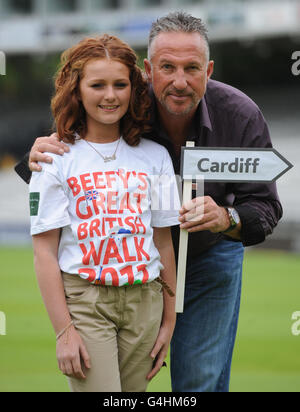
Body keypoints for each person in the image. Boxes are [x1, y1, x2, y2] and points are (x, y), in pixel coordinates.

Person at [16, 12, 283, 392]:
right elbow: (74, 157)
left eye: (192, 68)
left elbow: (266, 208)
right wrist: (38, 153)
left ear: (208, 70)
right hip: (129, 267)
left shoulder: (239, 114)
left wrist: (226, 216)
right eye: (167, 67)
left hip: (209, 253)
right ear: (148, 69)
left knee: (199, 380)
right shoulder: (121, 95)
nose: (179, 80)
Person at [28, 34, 180, 392]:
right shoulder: (54, 158)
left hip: (146, 300)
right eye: (97, 85)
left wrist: (169, 320)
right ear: (77, 91)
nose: (110, 95)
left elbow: (164, 243)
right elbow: (44, 252)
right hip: (86, 301)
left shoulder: (155, 156)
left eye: (120, 84)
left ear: (133, 89)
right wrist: (64, 331)